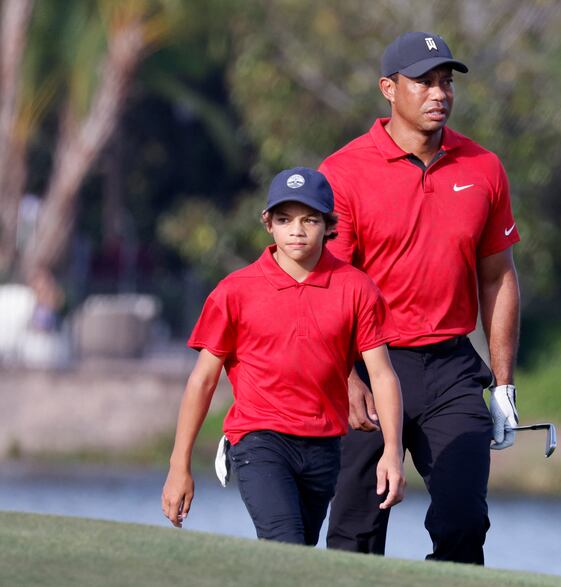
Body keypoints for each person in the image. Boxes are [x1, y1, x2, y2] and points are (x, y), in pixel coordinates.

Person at [321, 32, 521, 565]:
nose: (440, 94)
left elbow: (499, 278)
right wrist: (344, 377)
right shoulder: (342, 173)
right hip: (367, 364)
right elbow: (326, 285)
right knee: (355, 535)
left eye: (447, 82)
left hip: (452, 370)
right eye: (425, 82)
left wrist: (503, 386)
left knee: (464, 525)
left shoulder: (483, 169)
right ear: (388, 89)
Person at [161, 167, 405, 545]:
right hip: (260, 440)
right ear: (268, 224)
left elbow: (383, 375)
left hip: (325, 445)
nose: (297, 230)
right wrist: (180, 465)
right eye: (284, 219)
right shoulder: (234, 291)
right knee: (284, 542)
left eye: (310, 220)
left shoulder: (356, 288)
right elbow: (203, 380)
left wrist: (391, 451)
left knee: (298, 558)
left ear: (328, 225)